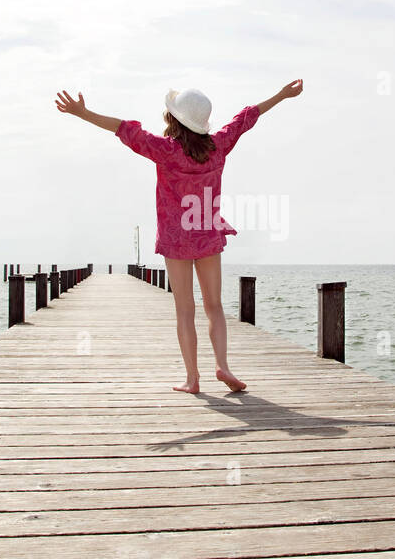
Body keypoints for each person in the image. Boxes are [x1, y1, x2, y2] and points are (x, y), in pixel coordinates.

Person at [54, 79, 304, 393]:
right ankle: (223, 366)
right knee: (214, 306)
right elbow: (247, 117)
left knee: (185, 309)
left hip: (176, 240)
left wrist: (83, 113)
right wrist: (282, 95)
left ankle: (192, 379)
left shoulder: (166, 151)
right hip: (208, 235)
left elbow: (122, 129)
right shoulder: (218, 147)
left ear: (172, 119)